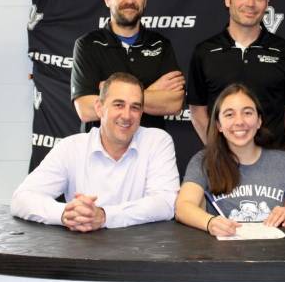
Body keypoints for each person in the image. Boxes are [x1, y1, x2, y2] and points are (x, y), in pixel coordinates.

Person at [11, 72, 180, 231]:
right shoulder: (71, 147)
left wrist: (104, 216)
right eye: (118, 105)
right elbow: (21, 198)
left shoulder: (157, 141)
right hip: (83, 252)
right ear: (99, 108)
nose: (127, 115)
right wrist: (66, 214)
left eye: (135, 107)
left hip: (142, 254)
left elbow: (166, 204)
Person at [187, 0, 285, 147]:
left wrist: (277, 152)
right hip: (223, 164)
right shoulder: (204, 52)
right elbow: (197, 110)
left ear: (267, 3)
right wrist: (216, 151)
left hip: (271, 162)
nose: (250, 3)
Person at [175, 83, 285, 236]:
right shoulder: (203, 161)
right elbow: (182, 207)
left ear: (259, 121)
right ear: (219, 125)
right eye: (229, 114)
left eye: (247, 113)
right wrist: (210, 223)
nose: (239, 121)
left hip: (272, 254)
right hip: (223, 256)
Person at [71, 0, 185, 131]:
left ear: (145, 1)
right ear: (107, 0)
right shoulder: (88, 45)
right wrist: (151, 93)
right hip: (99, 151)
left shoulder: (160, 44)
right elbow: (86, 109)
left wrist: (111, 96)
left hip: (149, 149)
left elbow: (174, 103)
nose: (130, 0)